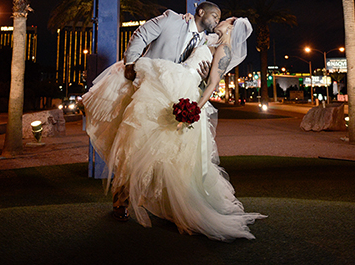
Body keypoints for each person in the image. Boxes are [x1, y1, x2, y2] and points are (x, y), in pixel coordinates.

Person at [83, 16, 266, 241]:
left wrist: (194, 109)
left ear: (231, 26)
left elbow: (212, 84)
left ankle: (169, 204)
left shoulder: (224, 50)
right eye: (216, 16)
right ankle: (123, 201)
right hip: (168, 83)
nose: (219, 19)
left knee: (164, 151)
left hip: (183, 94)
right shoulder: (208, 39)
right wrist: (189, 17)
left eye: (224, 19)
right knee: (138, 137)